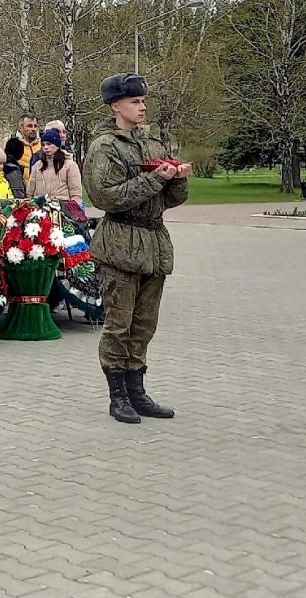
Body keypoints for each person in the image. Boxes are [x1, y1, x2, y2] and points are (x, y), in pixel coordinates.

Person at [85, 72, 188, 425]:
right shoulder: (105, 147)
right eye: (135, 101)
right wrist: (155, 178)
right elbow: (107, 197)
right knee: (120, 323)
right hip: (121, 243)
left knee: (144, 324)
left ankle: (138, 391)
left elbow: (171, 199)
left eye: (143, 101)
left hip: (153, 244)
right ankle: (118, 396)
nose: (142, 107)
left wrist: (177, 178)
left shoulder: (152, 144)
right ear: (116, 106)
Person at [29, 128, 84, 202]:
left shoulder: (70, 165)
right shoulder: (37, 166)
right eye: (43, 145)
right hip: (41, 209)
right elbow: (30, 193)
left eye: (49, 144)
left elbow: (76, 193)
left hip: (63, 208)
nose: (46, 147)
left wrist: (74, 211)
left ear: (57, 144)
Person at [13, 113, 40, 184]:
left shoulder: (43, 145)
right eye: (29, 126)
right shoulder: (14, 147)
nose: (33, 129)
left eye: (35, 126)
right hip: (22, 191)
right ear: (21, 128)